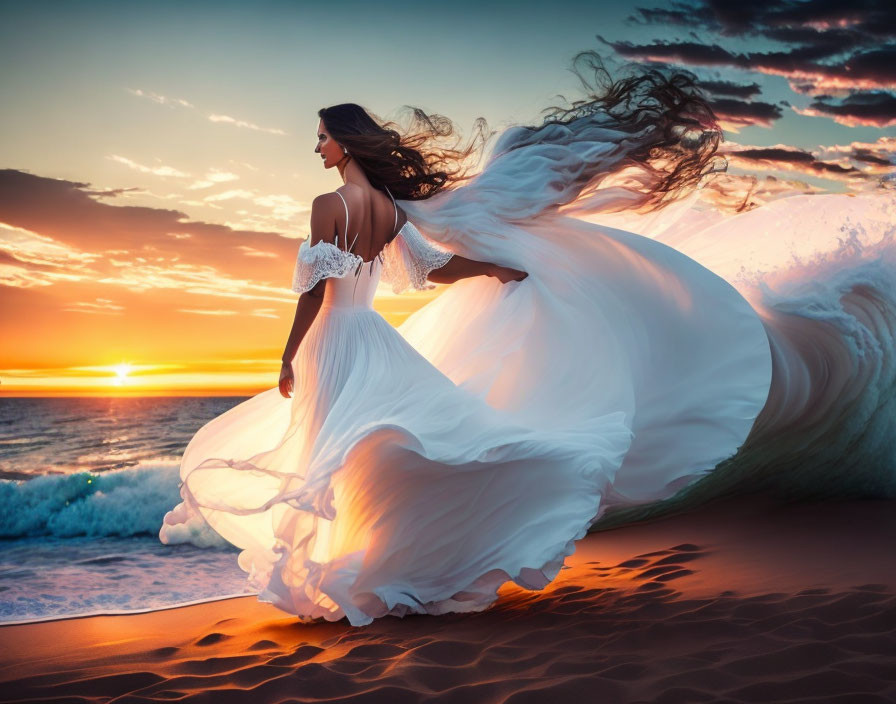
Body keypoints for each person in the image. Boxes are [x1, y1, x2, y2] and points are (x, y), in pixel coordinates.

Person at [160, 55, 778, 626]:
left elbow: (315, 291)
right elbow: (434, 268)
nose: (317, 145)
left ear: (343, 142)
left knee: (338, 456)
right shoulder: (390, 208)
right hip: (373, 337)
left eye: (322, 135)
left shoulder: (329, 204)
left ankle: (350, 576)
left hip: (335, 340)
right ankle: (371, 570)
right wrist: (495, 269)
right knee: (373, 454)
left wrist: (288, 354)